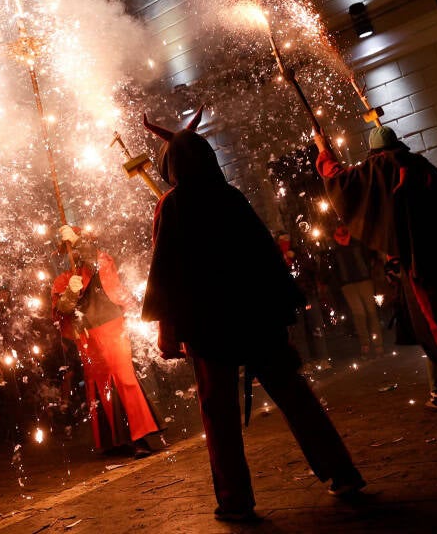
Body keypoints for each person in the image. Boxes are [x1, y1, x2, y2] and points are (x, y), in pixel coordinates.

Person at [141, 108, 365, 524]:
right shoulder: (231, 196)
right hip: (256, 317)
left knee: (219, 415)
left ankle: (234, 499)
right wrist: (282, 310)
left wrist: (165, 328)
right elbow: (265, 258)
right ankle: (342, 473)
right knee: (295, 397)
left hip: (209, 325)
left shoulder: (172, 206)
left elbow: (165, 268)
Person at [314, 125, 437, 413]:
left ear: (375, 151)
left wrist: (323, 151)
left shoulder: (382, 165)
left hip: (419, 259)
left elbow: (341, 182)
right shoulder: (418, 162)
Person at [51, 224, 160, 459]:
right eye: (68, 247)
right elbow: (61, 309)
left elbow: (99, 259)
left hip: (111, 326)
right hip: (86, 336)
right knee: (100, 384)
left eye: (74, 245)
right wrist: (70, 293)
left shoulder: (99, 263)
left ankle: (138, 436)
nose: (73, 251)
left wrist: (78, 239)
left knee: (122, 377)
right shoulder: (63, 279)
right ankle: (114, 440)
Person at [276, 231, 332, 370]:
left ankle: (323, 358)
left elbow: (312, 268)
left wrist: (297, 259)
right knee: (298, 331)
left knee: (316, 327)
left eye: (287, 238)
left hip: (307, 295)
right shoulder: (277, 256)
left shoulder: (300, 253)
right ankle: (305, 362)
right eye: (282, 239)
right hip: (291, 299)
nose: (285, 241)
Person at [330, 225, 386, 359]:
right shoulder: (335, 249)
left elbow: (369, 256)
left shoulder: (357, 242)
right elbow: (335, 268)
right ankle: (365, 345)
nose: (341, 234)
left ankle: (378, 345)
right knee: (359, 314)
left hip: (364, 280)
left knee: (371, 312)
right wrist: (340, 284)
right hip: (348, 285)